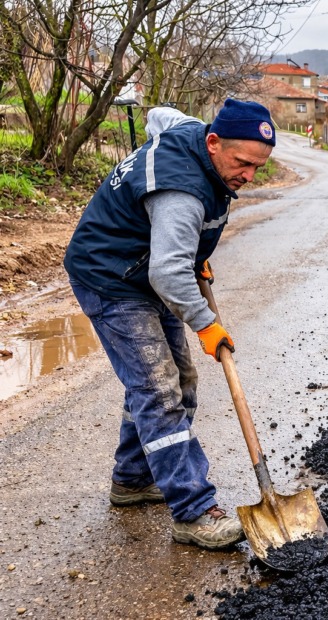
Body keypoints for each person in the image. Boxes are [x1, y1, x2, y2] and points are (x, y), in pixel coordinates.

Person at [64, 99, 276, 549]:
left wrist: (189, 256)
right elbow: (166, 273)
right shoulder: (180, 190)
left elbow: (160, 114)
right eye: (242, 164)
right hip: (112, 276)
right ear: (214, 144)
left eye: (259, 167)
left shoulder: (193, 131)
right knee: (159, 390)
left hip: (146, 270)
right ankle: (194, 511)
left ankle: (134, 480)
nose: (248, 176)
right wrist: (205, 323)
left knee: (179, 381)